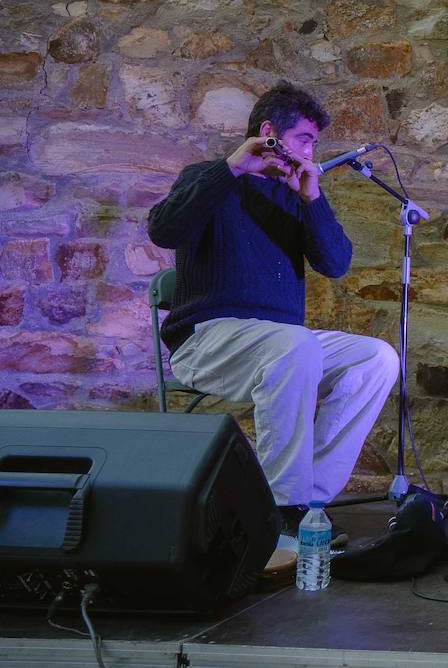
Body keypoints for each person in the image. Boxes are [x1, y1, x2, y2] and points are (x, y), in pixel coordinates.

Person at [148, 81, 398, 526]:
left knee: (377, 358)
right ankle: (281, 510)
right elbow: (164, 231)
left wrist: (313, 199)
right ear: (270, 133)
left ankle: (310, 504)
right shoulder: (207, 177)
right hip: (209, 340)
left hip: (281, 344)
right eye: (305, 139)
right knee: (294, 345)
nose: (310, 151)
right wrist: (231, 169)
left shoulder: (296, 196)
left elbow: (336, 263)